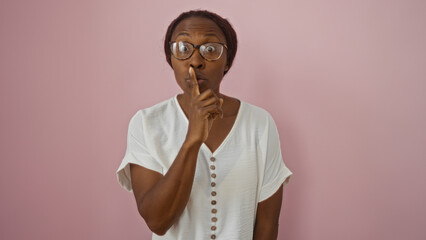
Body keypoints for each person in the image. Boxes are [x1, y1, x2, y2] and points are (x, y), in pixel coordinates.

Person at [116, 9, 293, 240]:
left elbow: (267, 226)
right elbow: (158, 221)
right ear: (171, 59)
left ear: (227, 61)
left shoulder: (260, 124)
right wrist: (192, 141)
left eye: (210, 49)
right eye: (183, 48)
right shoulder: (147, 123)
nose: (196, 61)